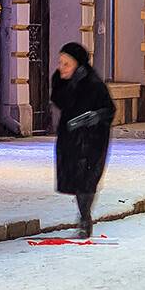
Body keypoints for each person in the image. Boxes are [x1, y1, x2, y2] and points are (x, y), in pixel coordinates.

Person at [51, 41, 116, 238]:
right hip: (70, 138)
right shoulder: (61, 81)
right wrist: (71, 84)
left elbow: (109, 109)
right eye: (60, 62)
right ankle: (84, 217)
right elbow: (59, 101)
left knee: (86, 180)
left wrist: (95, 117)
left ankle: (84, 219)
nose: (61, 68)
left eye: (66, 64)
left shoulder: (93, 83)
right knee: (74, 178)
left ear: (78, 65)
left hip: (92, 140)